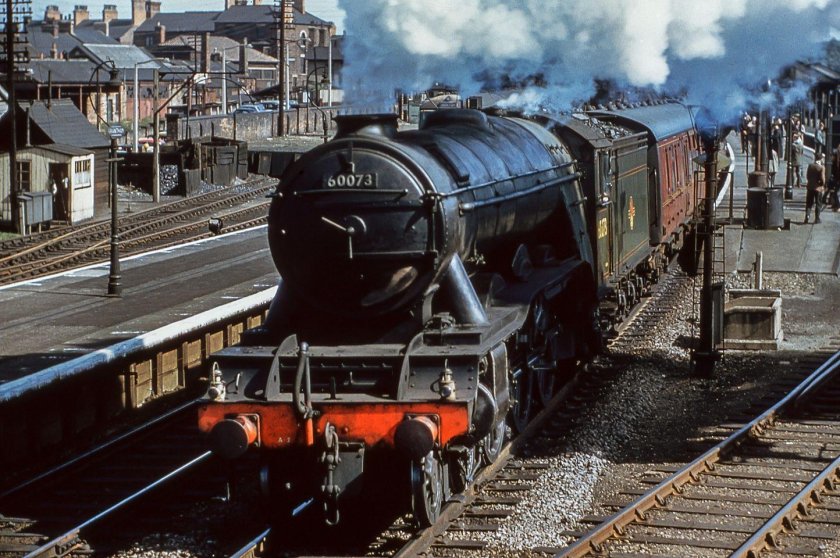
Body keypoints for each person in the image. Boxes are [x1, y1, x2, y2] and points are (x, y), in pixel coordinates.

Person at [805, 154, 825, 224]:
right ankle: (817, 219)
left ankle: (807, 216)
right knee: (818, 203)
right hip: (818, 188)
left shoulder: (810, 166)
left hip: (810, 187)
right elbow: (822, 179)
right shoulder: (821, 167)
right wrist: (822, 184)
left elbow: (807, 176)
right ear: (821, 159)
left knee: (809, 203)